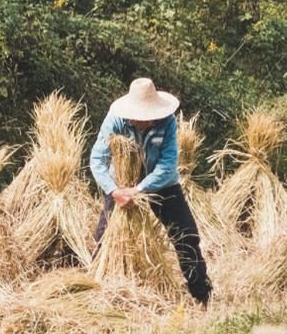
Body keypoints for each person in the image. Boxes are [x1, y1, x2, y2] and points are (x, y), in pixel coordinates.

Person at [89, 77, 211, 305]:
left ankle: (201, 295)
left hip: (161, 184)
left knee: (187, 235)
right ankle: (97, 294)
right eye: (139, 116)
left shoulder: (166, 121)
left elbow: (167, 165)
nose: (144, 121)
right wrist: (115, 191)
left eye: (148, 116)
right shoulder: (115, 121)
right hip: (121, 186)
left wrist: (138, 189)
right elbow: (97, 160)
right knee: (104, 239)